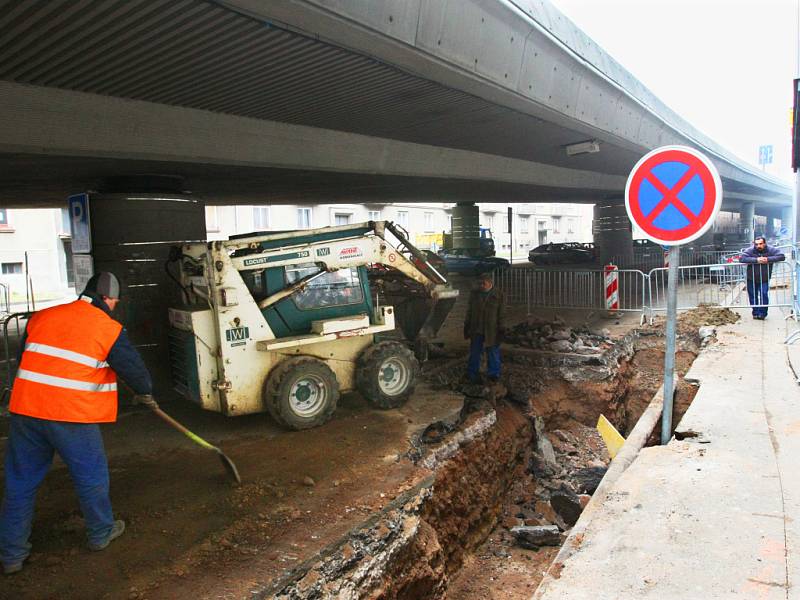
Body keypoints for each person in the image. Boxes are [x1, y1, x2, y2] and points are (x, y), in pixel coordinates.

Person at [0, 272, 154, 575]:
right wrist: (146, 392)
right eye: (115, 302)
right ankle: (100, 533)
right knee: (90, 474)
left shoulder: (43, 316)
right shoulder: (107, 328)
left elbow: (27, 359)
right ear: (108, 300)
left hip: (27, 410)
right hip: (69, 414)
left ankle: (11, 555)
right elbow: (136, 373)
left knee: (19, 482)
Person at [464, 272, 505, 383]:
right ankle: (472, 373)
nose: (481, 285)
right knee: (475, 352)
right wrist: (466, 326)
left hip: (491, 330)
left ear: (490, 283)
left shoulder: (498, 295)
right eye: (480, 283)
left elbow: (501, 314)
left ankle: (493, 374)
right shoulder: (474, 294)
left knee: (492, 351)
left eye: (484, 283)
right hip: (476, 328)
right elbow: (469, 311)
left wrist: (501, 328)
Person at [739, 236, 785, 320]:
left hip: (764, 278)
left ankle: (763, 314)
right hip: (751, 278)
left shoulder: (771, 249)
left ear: (764, 243)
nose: (758, 246)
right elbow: (742, 258)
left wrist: (767, 259)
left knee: (764, 294)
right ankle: (755, 313)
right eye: (756, 244)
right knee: (753, 296)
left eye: (760, 244)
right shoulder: (750, 250)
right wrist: (756, 260)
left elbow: (781, 256)